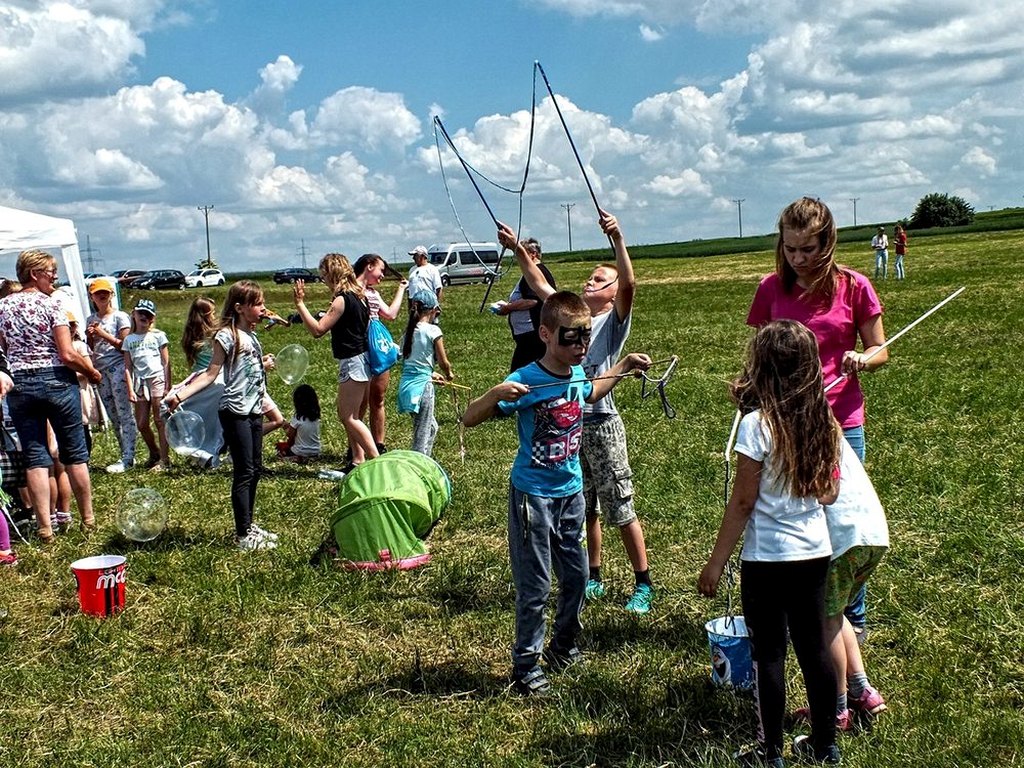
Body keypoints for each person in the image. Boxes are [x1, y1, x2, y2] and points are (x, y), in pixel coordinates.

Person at [461, 290, 651, 696]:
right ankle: (526, 666)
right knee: (535, 586)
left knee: (578, 577)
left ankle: (563, 646)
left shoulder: (578, 373)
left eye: (585, 336)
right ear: (546, 334)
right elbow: (469, 418)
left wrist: (623, 366)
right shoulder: (526, 380)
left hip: (571, 494)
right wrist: (495, 394)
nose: (581, 345)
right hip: (533, 497)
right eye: (572, 337)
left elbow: (591, 392)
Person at [698, 319, 842, 768]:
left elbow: (743, 501)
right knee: (815, 650)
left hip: (767, 558)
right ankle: (825, 746)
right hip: (814, 552)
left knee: (769, 654)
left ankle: (770, 751)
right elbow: (829, 494)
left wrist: (716, 562)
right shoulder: (824, 419)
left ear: (761, 368)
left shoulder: (756, 424)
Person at [499, 211, 655, 614]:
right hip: (568, 429)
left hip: (601, 423)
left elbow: (630, 284)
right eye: (589, 277)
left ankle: (643, 582)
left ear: (612, 294)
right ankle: (594, 575)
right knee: (585, 507)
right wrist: (516, 248)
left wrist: (618, 240)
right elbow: (537, 281)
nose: (590, 282)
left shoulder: (612, 323)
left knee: (619, 503)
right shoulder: (573, 318)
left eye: (600, 280)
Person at [748, 196, 888, 637]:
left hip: (841, 420)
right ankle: (808, 614)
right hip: (785, 423)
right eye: (790, 249)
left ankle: (852, 619)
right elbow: (761, 353)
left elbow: (880, 348)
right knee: (798, 516)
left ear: (827, 243)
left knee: (842, 522)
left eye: (808, 249)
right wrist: (750, 389)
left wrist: (863, 359)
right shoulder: (771, 288)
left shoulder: (855, 286)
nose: (799, 258)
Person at [164, 281, 278, 550]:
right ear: (239, 308)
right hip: (235, 411)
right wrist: (180, 395)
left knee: (255, 468)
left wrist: (263, 365)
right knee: (244, 471)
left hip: (253, 409)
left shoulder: (250, 334)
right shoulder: (226, 336)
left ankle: (249, 524)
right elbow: (210, 374)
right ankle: (242, 535)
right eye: (257, 304)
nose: (263, 308)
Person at [0, 250, 102, 543]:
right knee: (75, 455)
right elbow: (67, 353)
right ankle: (88, 521)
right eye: (50, 271)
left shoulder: (2, 307)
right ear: (34, 273)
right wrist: (91, 372)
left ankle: (45, 528)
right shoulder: (53, 304)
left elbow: (4, 348)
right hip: (57, 380)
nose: (55, 277)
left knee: (35, 457)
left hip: (20, 385)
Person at [794, 440, 889, 732]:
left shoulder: (799, 433)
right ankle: (862, 690)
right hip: (872, 535)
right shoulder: (828, 428)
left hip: (843, 539)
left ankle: (835, 708)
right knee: (835, 613)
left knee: (824, 621)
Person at [293, 253, 377, 471]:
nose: (323, 280)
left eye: (324, 276)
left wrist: (300, 304)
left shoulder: (342, 299)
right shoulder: (360, 296)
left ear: (332, 274)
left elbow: (318, 330)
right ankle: (357, 460)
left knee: (349, 417)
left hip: (352, 362)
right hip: (362, 360)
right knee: (351, 415)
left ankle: (378, 461)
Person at [354, 253, 408, 453]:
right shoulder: (351, 290)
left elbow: (390, 314)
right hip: (360, 349)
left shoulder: (374, 293)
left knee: (378, 398)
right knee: (359, 403)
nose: (383, 275)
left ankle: (379, 444)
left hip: (378, 349)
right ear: (369, 266)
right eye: (381, 270)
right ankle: (357, 448)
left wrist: (401, 289)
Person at [85, 278, 136, 473]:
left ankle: (129, 456)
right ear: (92, 297)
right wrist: (90, 336)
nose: (102, 296)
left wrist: (102, 333)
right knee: (113, 414)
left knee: (124, 413)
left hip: (118, 367)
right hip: (101, 370)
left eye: (105, 292)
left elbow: (125, 345)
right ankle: (125, 453)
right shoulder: (91, 319)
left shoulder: (119, 317)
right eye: (98, 293)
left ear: (111, 295)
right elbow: (91, 348)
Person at [397, 290, 453, 457]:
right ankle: (418, 464)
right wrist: (448, 373)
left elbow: (411, 362)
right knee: (421, 435)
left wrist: (431, 374)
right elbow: (443, 361)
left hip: (407, 387)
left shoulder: (408, 332)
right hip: (422, 389)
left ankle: (425, 460)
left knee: (432, 427)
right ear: (433, 310)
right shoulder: (433, 330)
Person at [492, 237, 557, 372]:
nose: (518, 258)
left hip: (532, 335)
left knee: (519, 373)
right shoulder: (534, 272)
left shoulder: (536, 273)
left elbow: (532, 300)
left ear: (533, 254)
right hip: (528, 335)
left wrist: (508, 308)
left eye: (522, 253)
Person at [174, 296, 224, 468]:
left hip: (197, 380)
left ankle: (195, 448)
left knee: (176, 410)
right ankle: (206, 450)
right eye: (213, 313)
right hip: (212, 380)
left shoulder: (190, 335)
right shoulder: (215, 335)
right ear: (206, 315)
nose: (215, 316)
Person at [123, 298, 171, 471]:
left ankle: (165, 460)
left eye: (148, 315)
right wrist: (130, 388)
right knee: (142, 423)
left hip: (157, 378)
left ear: (152, 318)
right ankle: (154, 452)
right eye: (141, 313)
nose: (144, 317)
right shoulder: (129, 340)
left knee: (160, 419)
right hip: (140, 382)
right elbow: (128, 367)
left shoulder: (158, 336)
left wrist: (167, 385)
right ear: (134, 314)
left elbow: (166, 362)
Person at [278, 383, 321, 462]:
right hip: (315, 451)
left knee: (280, 448)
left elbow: (290, 435)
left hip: (300, 451)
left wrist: (285, 427)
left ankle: (296, 458)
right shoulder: (316, 417)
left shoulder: (298, 417)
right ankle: (311, 458)